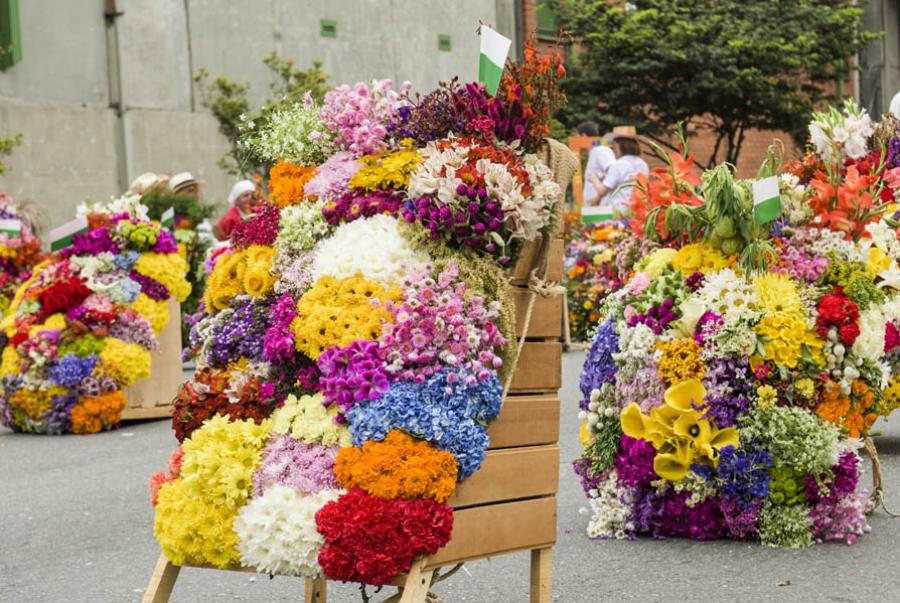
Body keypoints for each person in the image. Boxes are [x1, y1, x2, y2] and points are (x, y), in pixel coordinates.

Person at [584, 126, 649, 215]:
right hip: (637, 211)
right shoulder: (643, 164)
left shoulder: (618, 165)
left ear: (621, 145)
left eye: (614, 144)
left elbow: (602, 191)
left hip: (619, 212)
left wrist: (594, 179)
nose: (612, 147)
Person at [577, 121, 616, 205]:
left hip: (602, 209)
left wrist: (597, 197)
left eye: (577, 136)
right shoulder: (594, 152)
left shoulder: (600, 150)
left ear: (583, 136)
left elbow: (614, 172)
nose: (575, 140)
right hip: (595, 210)